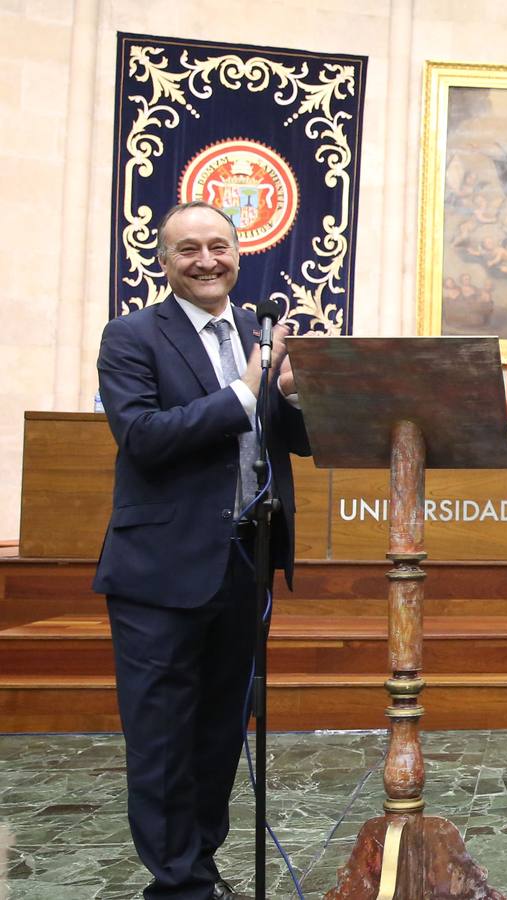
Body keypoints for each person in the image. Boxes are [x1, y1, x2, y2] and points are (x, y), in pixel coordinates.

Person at [94, 201, 311, 900]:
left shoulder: (259, 331)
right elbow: (145, 438)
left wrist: (290, 394)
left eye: (218, 245)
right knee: (161, 741)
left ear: (238, 252)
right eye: (188, 249)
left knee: (221, 733)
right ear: (164, 261)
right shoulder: (130, 337)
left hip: (244, 565)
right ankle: (178, 884)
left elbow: (296, 440)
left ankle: (202, 868)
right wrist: (246, 390)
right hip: (160, 571)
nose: (206, 259)